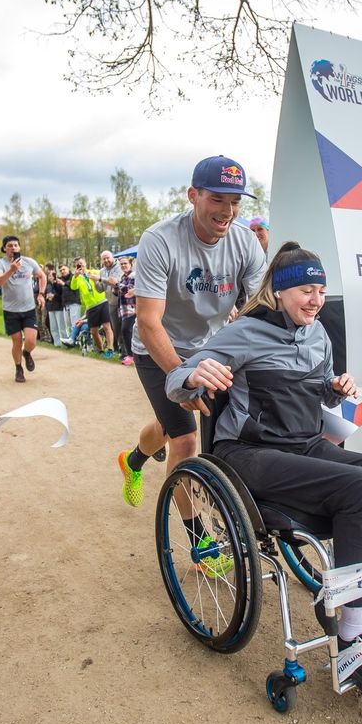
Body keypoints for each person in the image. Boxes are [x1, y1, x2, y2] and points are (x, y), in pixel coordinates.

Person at [165, 242, 362, 707]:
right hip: (248, 453)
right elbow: (174, 384)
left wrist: (334, 387)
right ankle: (351, 632)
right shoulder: (245, 332)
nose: (316, 299)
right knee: (360, 487)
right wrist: (192, 375)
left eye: (322, 290)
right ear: (281, 292)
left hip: (302, 444)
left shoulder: (318, 334)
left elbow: (321, 395)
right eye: (307, 289)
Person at [117, 155, 266, 507]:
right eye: (216, 199)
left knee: (171, 426)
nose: (227, 211)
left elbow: (262, 304)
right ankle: (198, 542)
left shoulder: (245, 242)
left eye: (234, 201)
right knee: (184, 439)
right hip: (158, 348)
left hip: (209, 348)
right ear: (192, 196)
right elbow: (148, 321)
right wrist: (182, 376)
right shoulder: (160, 239)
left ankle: (133, 459)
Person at [0, 235, 45, 382]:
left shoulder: (28, 262)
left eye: (16, 245)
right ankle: (18, 369)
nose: (13, 248)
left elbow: (42, 276)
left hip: (28, 308)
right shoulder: (0, 264)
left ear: (19, 248)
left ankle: (26, 353)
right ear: (4, 249)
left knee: (31, 341)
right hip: (11, 310)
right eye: (10, 245)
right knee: (16, 341)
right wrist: (11, 270)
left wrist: (41, 294)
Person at [68, 256, 114, 358]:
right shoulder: (77, 277)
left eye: (81, 263)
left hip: (102, 301)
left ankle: (110, 349)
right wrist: (75, 276)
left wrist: (95, 277)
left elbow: (104, 279)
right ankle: (101, 350)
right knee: (93, 331)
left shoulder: (94, 271)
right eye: (77, 264)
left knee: (107, 326)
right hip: (91, 306)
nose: (80, 265)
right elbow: (73, 287)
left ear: (85, 263)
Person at [96, 250, 122, 356]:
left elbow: (115, 281)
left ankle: (124, 350)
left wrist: (101, 279)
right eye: (104, 259)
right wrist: (95, 282)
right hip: (110, 302)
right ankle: (117, 349)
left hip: (121, 301)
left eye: (108, 258)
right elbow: (100, 289)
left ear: (113, 257)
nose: (106, 260)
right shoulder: (102, 271)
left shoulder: (119, 267)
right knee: (114, 327)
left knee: (123, 327)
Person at [115, 255, 137, 366]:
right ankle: (130, 355)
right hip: (124, 310)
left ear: (130, 264)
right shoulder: (123, 277)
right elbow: (120, 292)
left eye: (125, 263)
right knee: (126, 331)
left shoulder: (133, 275)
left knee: (126, 330)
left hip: (132, 309)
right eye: (121, 264)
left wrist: (116, 284)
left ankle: (131, 355)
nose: (123, 266)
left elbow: (129, 290)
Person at [44, 265, 68, 346]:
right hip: (50, 307)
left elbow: (61, 294)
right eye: (49, 275)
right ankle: (57, 343)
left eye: (52, 275)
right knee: (53, 327)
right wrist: (47, 297)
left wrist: (54, 296)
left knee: (61, 326)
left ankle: (64, 342)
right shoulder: (47, 285)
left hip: (58, 307)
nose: (51, 277)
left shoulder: (58, 283)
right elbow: (45, 295)